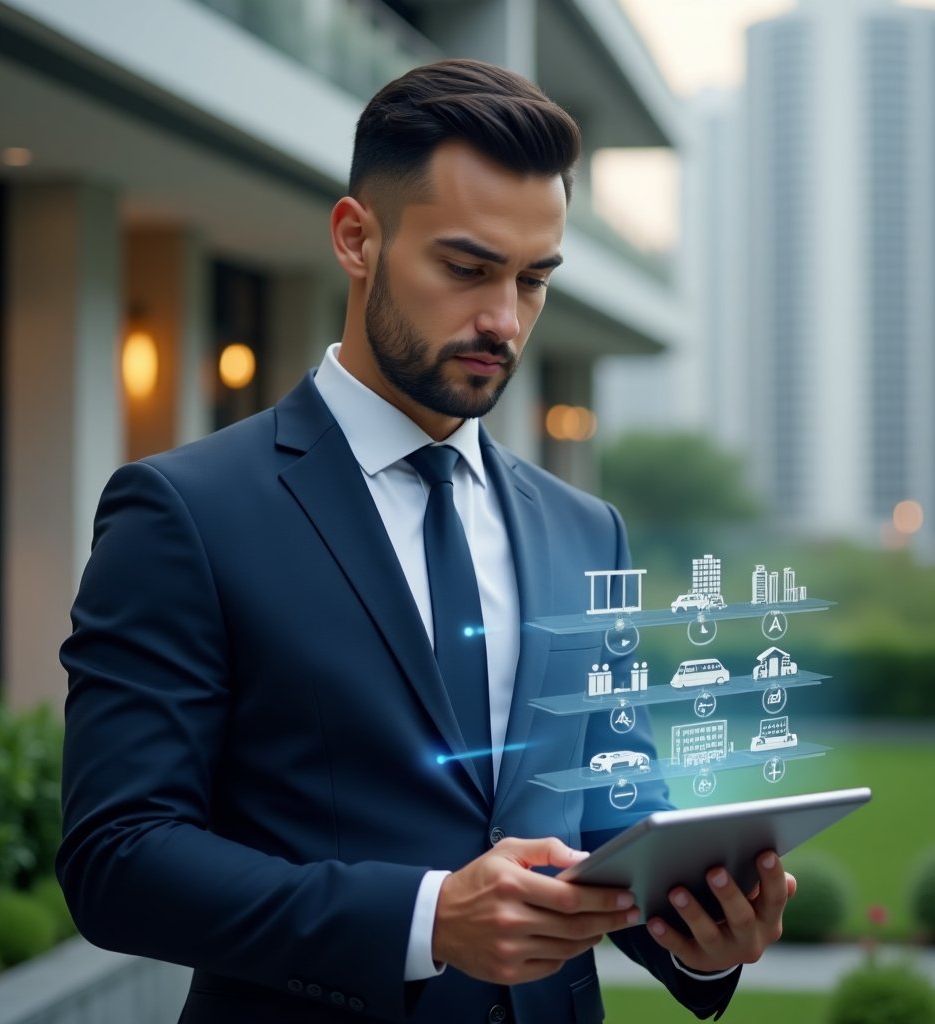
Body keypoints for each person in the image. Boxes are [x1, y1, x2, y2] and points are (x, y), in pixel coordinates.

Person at [57, 59, 794, 1024]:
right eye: (467, 268)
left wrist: (700, 929)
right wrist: (425, 919)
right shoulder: (184, 512)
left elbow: (609, 809)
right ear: (356, 238)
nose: (504, 320)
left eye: (534, 280)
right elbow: (117, 856)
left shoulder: (587, 531)